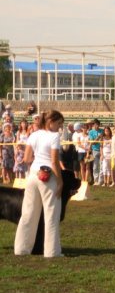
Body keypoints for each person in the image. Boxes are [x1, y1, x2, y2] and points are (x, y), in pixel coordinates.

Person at [14, 110, 65, 258]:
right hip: (49, 177)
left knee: (28, 214)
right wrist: (60, 182)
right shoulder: (54, 136)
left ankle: (21, 249)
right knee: (51, 215)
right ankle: (51, 252)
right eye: (59, 124)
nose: (60, 127)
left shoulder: (34, 135)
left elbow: (27, 158)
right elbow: (54, 161)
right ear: (50, 122)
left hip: (33, 175)